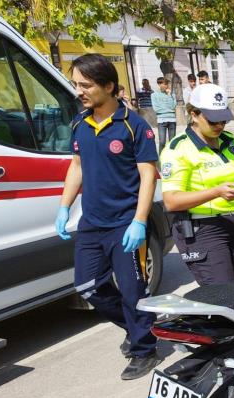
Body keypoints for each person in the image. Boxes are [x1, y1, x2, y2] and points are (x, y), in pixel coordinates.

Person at [54, 54, 160, 380]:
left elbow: (148, 176)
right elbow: (77, 168)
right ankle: (136, 327)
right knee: (87, 287)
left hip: (125, 223)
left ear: (109, 86)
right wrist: (63, 206)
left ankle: (144, 350)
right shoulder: (79, 123)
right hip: (92, 223)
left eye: (85, 85)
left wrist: (140, 221)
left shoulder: (134, 126)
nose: (79, 91)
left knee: (133, 292)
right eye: (76, 84)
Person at [160, 83, 234, 285]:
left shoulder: (230, 141)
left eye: (223, 119)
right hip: (204, 229)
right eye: (213, 120)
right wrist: (216, 193)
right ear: (194, 114)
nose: (220, 125)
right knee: (223, 299)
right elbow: (171, 201)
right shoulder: (178, 149)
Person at [150, 77, 177, 151]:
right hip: (161, 120)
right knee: (162, 142)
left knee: (172, 142)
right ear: (159, 84)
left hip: (172, 119)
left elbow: (173, 106)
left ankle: (172, 159)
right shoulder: (154, 95)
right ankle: (161, 159)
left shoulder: (172, 94)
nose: (167, 86)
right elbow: (156, 109)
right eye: (165, 84)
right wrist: (168, 109)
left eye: (167, 84)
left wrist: (169, 95)